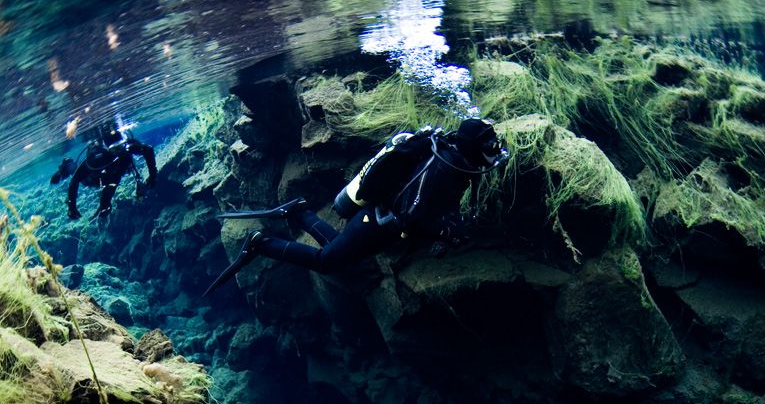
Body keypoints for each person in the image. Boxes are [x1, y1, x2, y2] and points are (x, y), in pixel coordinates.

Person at [204, 118, 507, 297]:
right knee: (327, 261)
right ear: (471, 147)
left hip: (378, 221)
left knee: (341, 252)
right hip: (378, 221)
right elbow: (413, 216)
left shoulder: (451, 156)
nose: (494, 151)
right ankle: (261, 243)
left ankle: (299, 211)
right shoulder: (447, 168)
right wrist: (444, 232)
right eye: (489, 146)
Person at [54, 124, 158, 220]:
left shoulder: (127, 148)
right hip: (97, 174)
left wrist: (153, 174)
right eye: (114, 149)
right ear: (106, 148)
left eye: (120, 146)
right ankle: (66, 168)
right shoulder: (95, 157)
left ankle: (104, 203)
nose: (118, 151)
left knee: (117, 172)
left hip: (114, 171)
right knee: (86, 181)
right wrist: (72, 206)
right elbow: (75, 180)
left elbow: (148, 150)